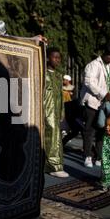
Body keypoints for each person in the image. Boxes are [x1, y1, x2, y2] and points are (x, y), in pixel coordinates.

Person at [80, 42, 110, 168]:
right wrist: (103, 93)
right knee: (89, 130)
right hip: (92, 102)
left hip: (104, 103)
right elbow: (88, 82)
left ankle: (99, 156)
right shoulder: (93, 65)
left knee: (102, 129)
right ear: (104, 52)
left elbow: (109, 83)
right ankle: (87, 156)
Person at [44, 49, 69, 178]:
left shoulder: (59, 75)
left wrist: (62, 111)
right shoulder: (43, 73)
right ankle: (53, 166)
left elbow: (60, 94)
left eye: (59, 58)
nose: (57, 60)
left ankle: (53, 165)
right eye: (54, 57)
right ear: (48, 58)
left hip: (56, 111)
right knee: (51, 136)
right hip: (46, 110)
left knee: (56, 137)